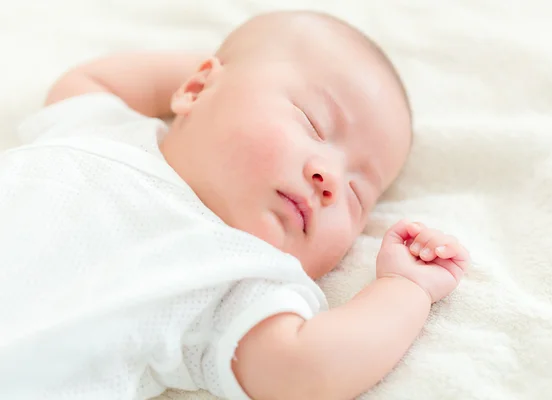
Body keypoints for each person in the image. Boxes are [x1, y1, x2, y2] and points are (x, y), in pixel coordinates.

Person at [0, 10, 469, 400]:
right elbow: (90, 77)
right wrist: (232, 68)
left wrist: (405, 288)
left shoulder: (236, 277)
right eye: (313, 123)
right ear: (196, 88)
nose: (330, 180)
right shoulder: (103, 130)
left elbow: (305, 370)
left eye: (357, 193)